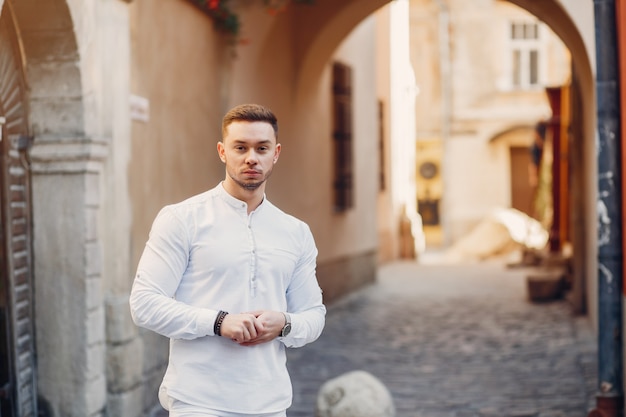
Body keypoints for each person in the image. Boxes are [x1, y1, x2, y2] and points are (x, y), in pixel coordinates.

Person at [129, 103, 326, 417]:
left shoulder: (296, 232)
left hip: (270, 403)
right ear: (222, 151)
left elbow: (314, 315)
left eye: (261, 148)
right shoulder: (182, 219)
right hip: (199, 401)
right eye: (240, 147)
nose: (251, 157)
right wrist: (219, 322)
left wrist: (285, 324)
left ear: (275, 153)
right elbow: (144, 303)